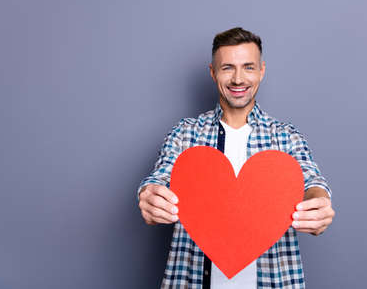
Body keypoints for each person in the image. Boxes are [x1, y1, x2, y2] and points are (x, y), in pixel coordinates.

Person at [137, 27, 335, 289]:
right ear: (213, 72)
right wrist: (150, 194)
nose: (238, 79)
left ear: (261, 71)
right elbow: (160, 178)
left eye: (248, 67)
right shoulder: (185, 133)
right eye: (228, 68)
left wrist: (318, 203)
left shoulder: (286, 137)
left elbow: (312, 182)